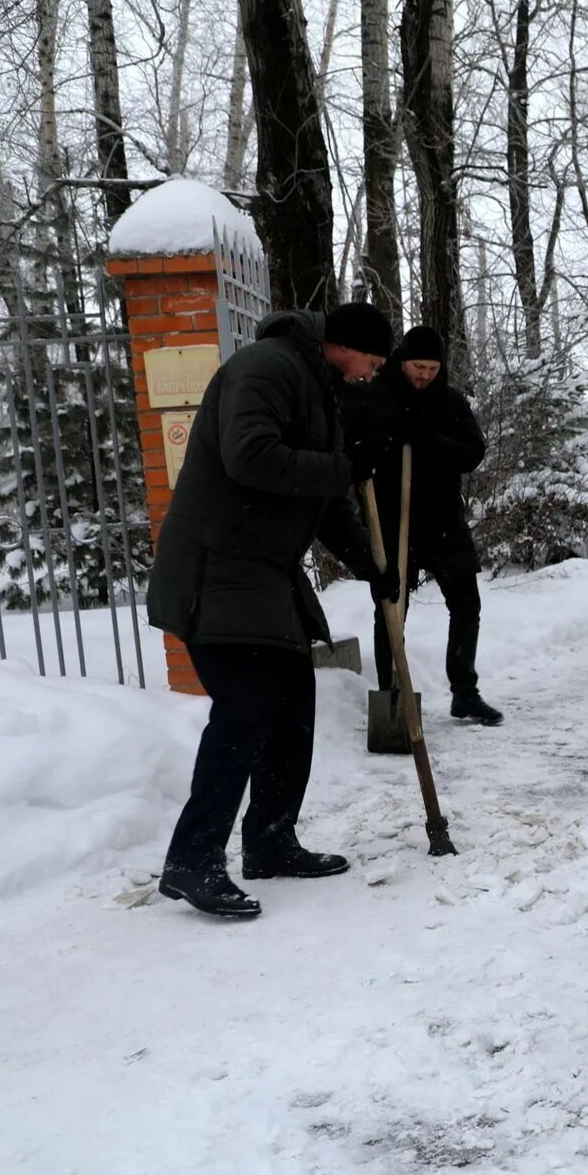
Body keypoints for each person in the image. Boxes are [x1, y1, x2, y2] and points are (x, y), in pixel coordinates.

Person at [146, 302, 401, 920]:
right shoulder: (266, 367)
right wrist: (343, 465)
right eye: (371, 359)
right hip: (216, 571)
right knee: (246, 708)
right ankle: (192, 858)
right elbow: (250, 456)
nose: (372, 372)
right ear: (344, 345)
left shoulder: (319, 386)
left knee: (291, 702)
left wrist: (371, 562)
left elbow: (327, 494)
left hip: (262, 576)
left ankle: (270, 840)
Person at [360, 325, 502, 727]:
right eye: (418, 366)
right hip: (392, 518)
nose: (425, 375)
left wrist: (431, 442)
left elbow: (473, 452)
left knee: (466, 604)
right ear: (403, 361)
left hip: (442, 519)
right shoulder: (378, 396)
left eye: (433, 368)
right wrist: (390, 439)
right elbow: (359, 450)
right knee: (391, 609)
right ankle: (393, 694)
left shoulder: (451, 403)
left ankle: (464, 692)